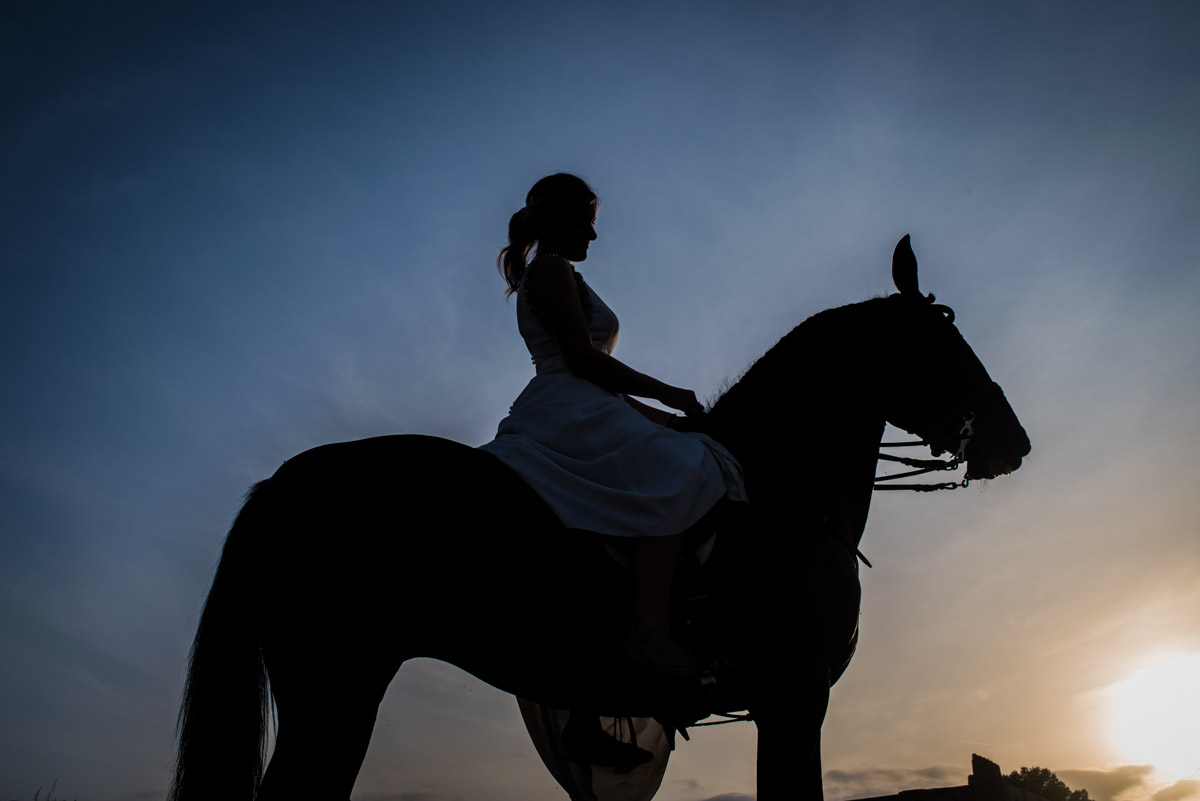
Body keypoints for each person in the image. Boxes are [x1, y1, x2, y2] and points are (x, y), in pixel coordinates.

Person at [479, 173, 745, 685]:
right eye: (586, 222)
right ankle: (649, 633)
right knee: (683, 470)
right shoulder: (550, 269)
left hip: (589, 401)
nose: (594, 234)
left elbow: (604, 384)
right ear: (558, 222)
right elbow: (583, 361)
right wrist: (668, 393)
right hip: (570, 403)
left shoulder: (563, 273)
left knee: (693, 448)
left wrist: (673, 421)